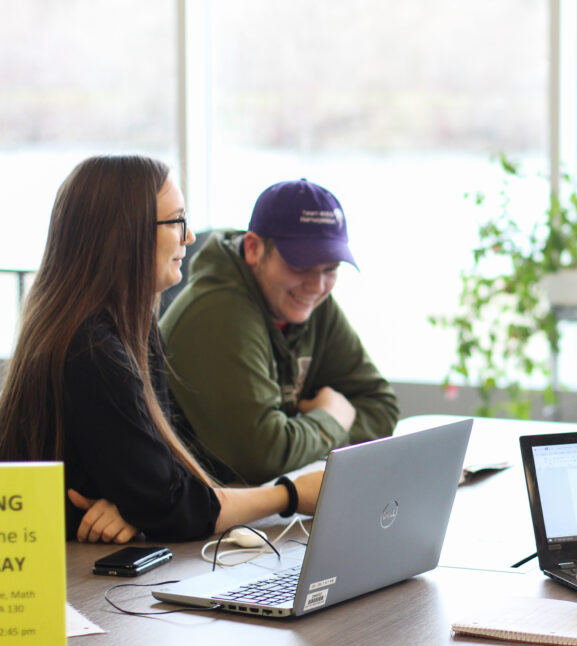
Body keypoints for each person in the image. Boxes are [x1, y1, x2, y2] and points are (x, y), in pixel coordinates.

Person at [0, 155, 323, 542]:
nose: (188, 237)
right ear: (124, 235)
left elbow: (173, 476)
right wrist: (289, 495)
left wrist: (138, 505)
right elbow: (173, 506)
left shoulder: (129, 331)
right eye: (176, 221)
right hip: (68, 577)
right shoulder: (92, 351)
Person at [159, 179, 399, 485]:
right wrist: (331, 420)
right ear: (254, 249)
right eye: (300, 266)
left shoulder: (309, 301)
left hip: (250, 506)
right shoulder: (217, 312)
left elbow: (381, 407)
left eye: (331, 268)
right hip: (180, 517)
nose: (316, 285)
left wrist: (298, 432)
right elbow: (263, 458)